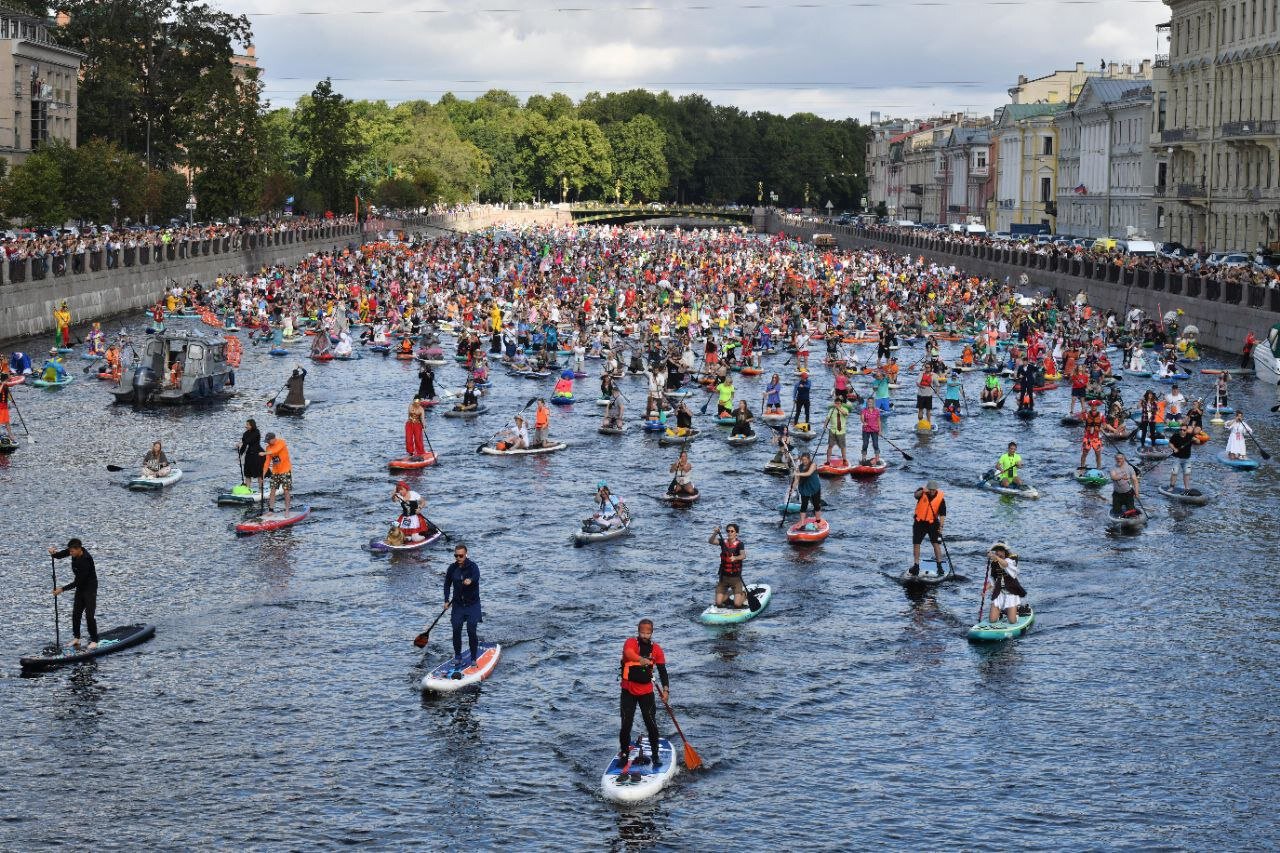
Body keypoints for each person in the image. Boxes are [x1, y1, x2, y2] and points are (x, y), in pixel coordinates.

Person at [617, 619, 670, 768]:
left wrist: (666, 690)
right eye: (642, 632)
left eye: (648, 632)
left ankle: (655, 754)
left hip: (646, 692)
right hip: (628, 691)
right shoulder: (631, 643)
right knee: (626, 724)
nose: (645, 635)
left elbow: (662, 671)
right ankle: (624, 755)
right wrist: (641, 659)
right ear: (638, 631)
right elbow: (628, 653)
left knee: (651, 723)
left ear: (652, 633)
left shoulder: (657, 650)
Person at [49, 539, 98, 650]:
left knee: (89, 615)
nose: (70, 554)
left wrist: (61, 589)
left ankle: (95, 640)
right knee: (76, 613)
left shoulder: (86, 560)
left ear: (79, 549)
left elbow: (78, 582)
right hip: (81, 588)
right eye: (70, 551)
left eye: (72, 552)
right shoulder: (73, 550)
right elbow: (62, 554)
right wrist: (53, 554)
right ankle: (77, 638)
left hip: (90, 588)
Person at [443, 543, 482, 676]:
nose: (458, 558)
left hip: (472, 605)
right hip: (458, 605)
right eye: (456, 555)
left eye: (461, 555)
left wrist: (470, 580)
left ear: (466, 555)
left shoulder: (473, 567)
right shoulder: (452, 568)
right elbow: (447, 584)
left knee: (471, 629)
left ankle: (473, 659)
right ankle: (458, 656)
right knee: (456, 629)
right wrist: (446, 600)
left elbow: (476, 576)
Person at [984, 543, 1026, 625]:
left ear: (1004, 552)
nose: (998, 553)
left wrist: (995, 557)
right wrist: (984, 590)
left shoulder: (1010, 561)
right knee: (992, 620)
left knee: (1012, 621)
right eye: (996, 551)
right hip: (1000, 593)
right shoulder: (994, 564)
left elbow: (1005, 565)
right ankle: (1001, 613)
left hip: (1011, 593)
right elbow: (992, 581)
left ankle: (1015, 612)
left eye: (1000, 551)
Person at [910, 480, 946, 576]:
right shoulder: (922, 492)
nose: (932, 492)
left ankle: (939, 567)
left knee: (936, 544)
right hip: (919, 522)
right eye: (930, 490)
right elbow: (915, 495)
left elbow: (942, 515)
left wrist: (941, 526)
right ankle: (916, 566)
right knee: (916, 543)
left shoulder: (940, 499)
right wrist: (922, 491)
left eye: (933, 490)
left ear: (936, 489)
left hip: (932, 523)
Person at [709, 524, 746, 609]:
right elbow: (711, 541)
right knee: (718, 603)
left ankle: (743, 594)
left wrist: (735, 557)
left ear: (736, 533)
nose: (729, 533)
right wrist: (715, 533)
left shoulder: (740, 544)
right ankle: (729, 595)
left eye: (732, 531)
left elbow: (743, 555)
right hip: (723, 578)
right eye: (728, 531)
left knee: (737, 605)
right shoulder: (723, 542)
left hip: (735, 578)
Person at [263, 432, 293, 514]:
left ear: (273, 439)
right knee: (272, 490)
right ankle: (271, 510)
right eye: (267, 441)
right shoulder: (268, 447)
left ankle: (287, 510)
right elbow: (267, 462)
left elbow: (276, 450)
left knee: (286, 491)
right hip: (275, 472)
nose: (268, 443)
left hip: (285, 470)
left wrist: (264, 453)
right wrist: (263, 474)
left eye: (269, 441)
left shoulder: (281, 442)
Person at [791, 451, 822, 528]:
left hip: (814, 487)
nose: (804, 461)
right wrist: (792, 489)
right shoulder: (800, 467)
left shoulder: (813, 465)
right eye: (803, 460)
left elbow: (808, 473)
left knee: (816, 505)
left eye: (806, 460)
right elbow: (797, 480)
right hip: (804, 487)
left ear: (809, 459)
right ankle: (802, 522)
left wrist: (797, 473)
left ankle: (818, 521)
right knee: (803, 506)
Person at [1078, 400, 1105, 472]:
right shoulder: (1086, 414)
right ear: (1090, 406)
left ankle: (1099, 468)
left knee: (1098, 454)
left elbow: (1104, 425)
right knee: (1084, 453)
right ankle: (1082, 468)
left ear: (1097, 406)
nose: (1094, 407)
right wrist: (1082, 412)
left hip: (1096, 437)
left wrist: (1101, 428)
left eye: (1095, 405)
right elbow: (1080, 419)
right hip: (1087, 437)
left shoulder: (1101, 415)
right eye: (1092, 405)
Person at [1168, 422, 1196, 491]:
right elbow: (1170, 443)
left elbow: (1198, 442)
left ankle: (1187, 488)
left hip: (1187, 459)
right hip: (1177, 458)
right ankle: (1171, 486)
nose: (1182, 431)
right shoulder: (1175, 436)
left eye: (1184, 430)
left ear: (1186, 430)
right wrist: (1174, 449)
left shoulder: (1190, 436)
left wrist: (1196, 439)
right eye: (1180, 429)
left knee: (1187, 473)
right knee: (1174, 472)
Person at [239, 418, 264, 491]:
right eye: (246, 424)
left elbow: (248, 440)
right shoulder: (245, 433)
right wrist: (240, 455)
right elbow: (244, 445)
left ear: (252, 425)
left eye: (247, 425)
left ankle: (260, 490)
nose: (246, 426)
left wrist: (241, 443)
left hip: (257, 454)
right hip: (249, 454)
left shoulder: (256, 432)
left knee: (259, 472)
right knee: (247, 473)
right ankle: (247, 489)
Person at [825, 398, 850, 463]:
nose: (837, 404)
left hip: (841, 431)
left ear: (841, 404)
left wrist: (838, 408)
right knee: (830, 446)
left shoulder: (845, 409)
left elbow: (846, 414)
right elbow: (827, 418)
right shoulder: (831, 410)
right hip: (832, 430)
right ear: (834, 403)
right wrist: (825, 425)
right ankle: (828, 460)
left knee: (843, 446)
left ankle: (844, 459)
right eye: (836, 403)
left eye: (839, 403)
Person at [859, 397, 881, 464]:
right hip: (866, 430)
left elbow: (879, 421)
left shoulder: (877, 411)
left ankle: (877, 460)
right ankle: (863, 459)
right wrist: (864, 422)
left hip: (875, 430)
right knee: (865, 444)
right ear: (867, 403)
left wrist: (880, 430)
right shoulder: (864, 410)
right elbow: (862, 418)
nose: (870, 403)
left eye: (871, 402)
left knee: (875, 444)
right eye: (869, 402)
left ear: (873, 403)